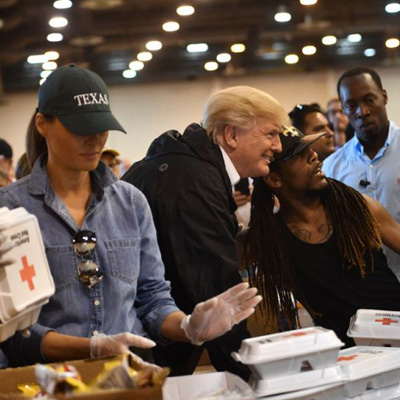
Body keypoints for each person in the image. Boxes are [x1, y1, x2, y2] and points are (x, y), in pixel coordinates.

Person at [0, 64, 261, 367]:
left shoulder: (130, 202)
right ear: (43, 124)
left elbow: (152, 298)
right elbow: (14, 330)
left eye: (101, 126)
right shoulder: (10, 209)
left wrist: (188, 326)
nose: (95, 139)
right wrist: (91, 347)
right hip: (49, 382)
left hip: (130, 378)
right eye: (79, 127)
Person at [122, 85, 288, 378]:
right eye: (271, 134)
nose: (278, 146)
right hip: (147, 350)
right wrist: (253, 378)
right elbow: (216, 292)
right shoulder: (193, 182)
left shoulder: (188, 166)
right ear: (232, 135)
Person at [242, 126, 400, 347]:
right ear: (275, 179)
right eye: (298, 154)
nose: (313, 155)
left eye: (309, 149)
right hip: (341, 354)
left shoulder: (356, 206)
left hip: (394, 335)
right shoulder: (268, 237)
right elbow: (215, 259)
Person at [323, 67, 400, 281]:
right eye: (352, 105)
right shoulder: (332, 168)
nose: (362, 111)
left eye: (369, 100)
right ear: (343, 109)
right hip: (364, 289)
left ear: (384, 97)